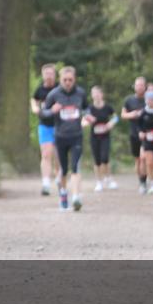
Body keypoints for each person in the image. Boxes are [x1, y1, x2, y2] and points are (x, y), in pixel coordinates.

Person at [40, 66, 87, 211]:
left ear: (74, 80)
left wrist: (87, 116)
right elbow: (43, 114)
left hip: (76, 136)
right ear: (60, 80)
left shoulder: (81, 93)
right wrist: (52, 111)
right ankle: (63, 193)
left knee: (75, 167)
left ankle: (76, 197)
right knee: (63, 170)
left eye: (70, 80)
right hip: (60, 137)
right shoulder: (54, 94)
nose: (68, 82)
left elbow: (87, 108)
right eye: (65, 80)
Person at [31, 63, 60, 195]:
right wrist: (37, 109)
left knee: (59, 156)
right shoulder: (39, 91)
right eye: (46, 73)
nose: (48, 76)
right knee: (46, 154)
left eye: (51, 73)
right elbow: (34, 105)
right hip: (45, 126)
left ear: (55, 75)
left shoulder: (60, 89)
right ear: (42, 75)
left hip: (60, 126)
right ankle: (46, 183)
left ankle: (60, 178)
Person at [84, 85, 118, 192]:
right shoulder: (89, 108)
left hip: (105, 136)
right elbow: (84, 119)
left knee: (105, 158)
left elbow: (116, 117)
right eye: (94, 94)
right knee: (97, 160)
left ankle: (108, 178)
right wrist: (87, 122)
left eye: (98, 93)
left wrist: (111, 123)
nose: (96, 96)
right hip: (94, 137)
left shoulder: (107, 107)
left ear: (102, 95)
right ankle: (99, 182)